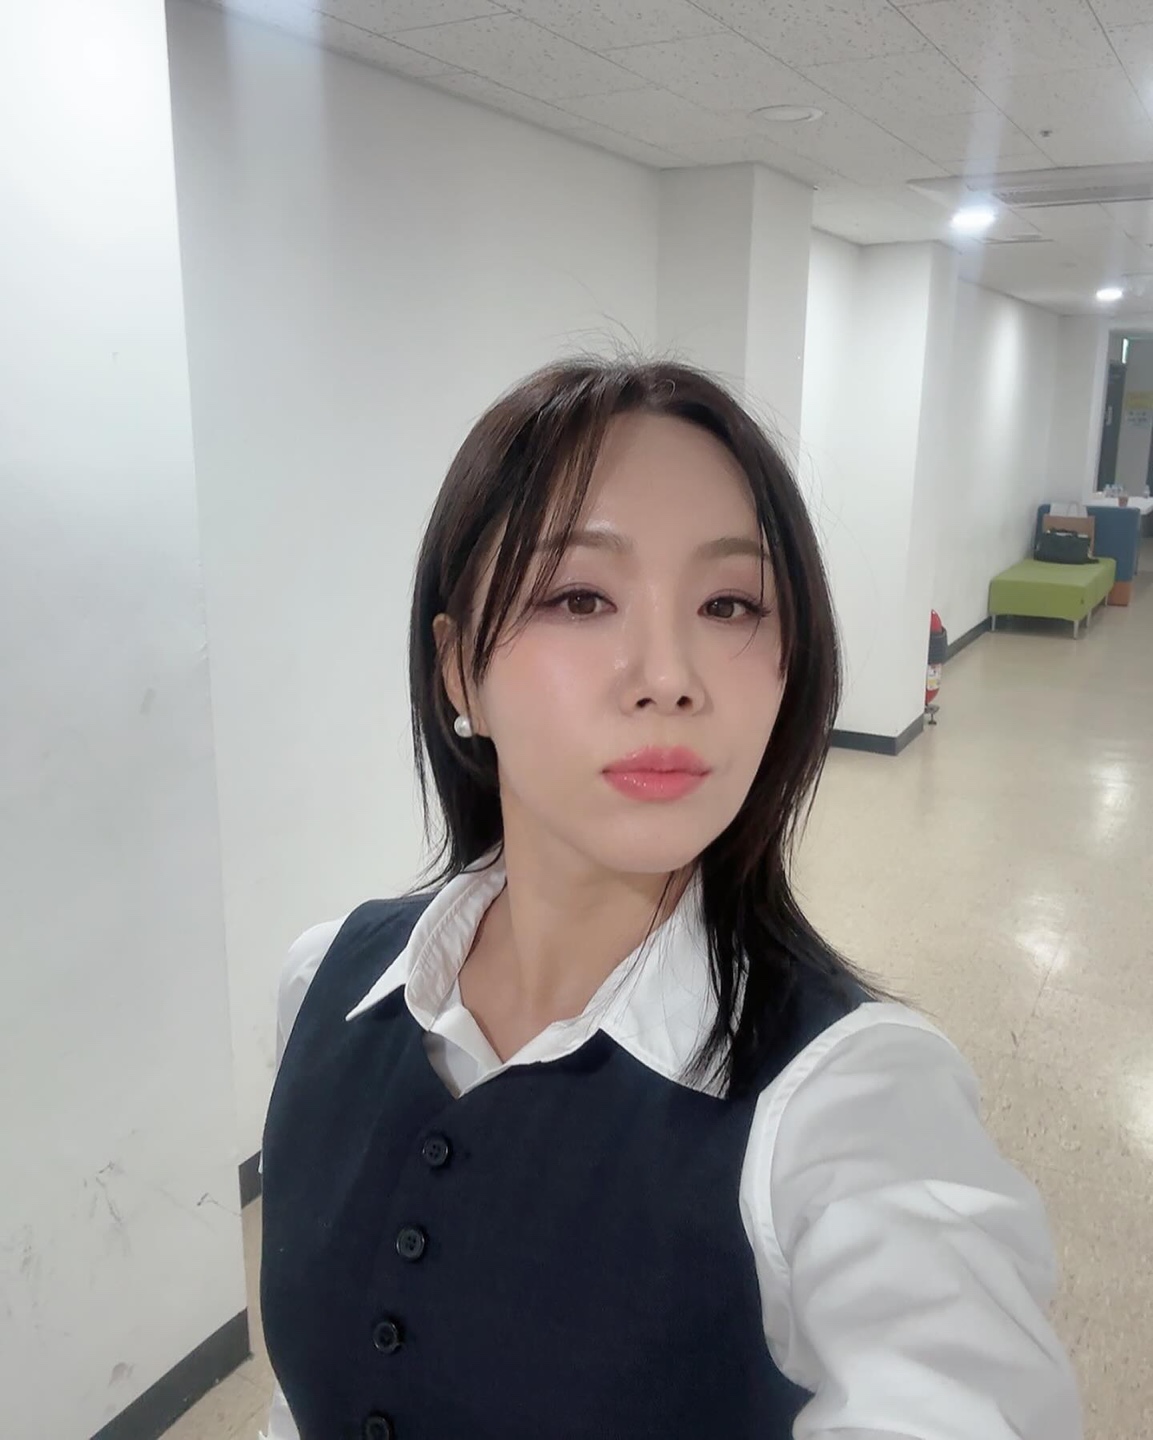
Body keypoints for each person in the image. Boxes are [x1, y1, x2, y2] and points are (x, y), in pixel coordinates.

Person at [258, 358, 1081, 1440]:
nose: (668, 675)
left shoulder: (848, 1102)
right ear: (458, 675)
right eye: (579, 598)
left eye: (729, 604)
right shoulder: (326, 980)